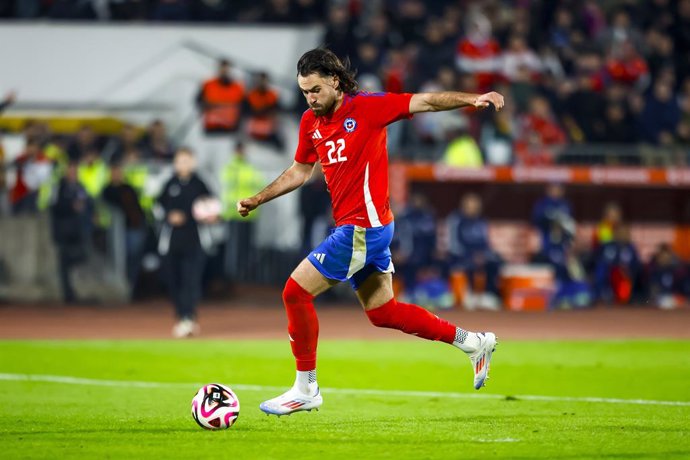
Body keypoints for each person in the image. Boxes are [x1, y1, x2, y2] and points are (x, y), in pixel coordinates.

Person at [237, 48, 503, 416]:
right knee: (383, 312)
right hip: (367, 227)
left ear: (334, 80)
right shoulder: (310, 123)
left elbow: (424, 102)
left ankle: (306, 387)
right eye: (303, 92)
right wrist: (258, 198)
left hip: (363, 227)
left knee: (295, 294)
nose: (310, 98)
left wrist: (472, 99)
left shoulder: (368, 108)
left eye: (315, 90)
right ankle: (473, 342)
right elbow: (300, 171)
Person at [157, 148, 214, 338]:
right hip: (172, 242)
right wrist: (168, 216)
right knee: (174, 281)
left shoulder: (200, 185)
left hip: (195, 240)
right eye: (180, 161)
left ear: (193, 163)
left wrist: (206, 216)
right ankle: (181, 315)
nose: (184, 164)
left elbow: (211, 206)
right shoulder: (169, 184)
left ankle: (188, 317)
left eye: (187, 160)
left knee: (191, 280)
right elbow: (157, 206)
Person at [446, 193, 502, 309]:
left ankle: (488, 295)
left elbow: (486, 243)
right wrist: (471, 255)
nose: (473, 208)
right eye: (470, 205)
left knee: (495, 262)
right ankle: (468, 295)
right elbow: (453, 245)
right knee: (468, 264)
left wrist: (484, 255)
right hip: (461, 255)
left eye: (476, 205)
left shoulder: (481, 221)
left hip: (480, 256)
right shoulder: (456, 219)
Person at [102, 163, 148, 298]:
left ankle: (130, 287)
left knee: (134, 259)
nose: (117, 175)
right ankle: (124, 288)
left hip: (134, 228)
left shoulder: (128, 188)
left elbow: (136, 208)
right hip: (117, 233)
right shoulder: (107, 191)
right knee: (121, 259)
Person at [50, 162, 92, 304]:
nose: (73, 174)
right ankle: (68, 293)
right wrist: (71, 206)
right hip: (63, 230)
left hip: (78, 230)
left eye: (75, 172)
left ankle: (76, 290)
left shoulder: (80, 187)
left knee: (81, 257)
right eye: (71, 171)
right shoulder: (60, 187)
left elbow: (88, 203)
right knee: (64, 263)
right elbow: (55, 207)